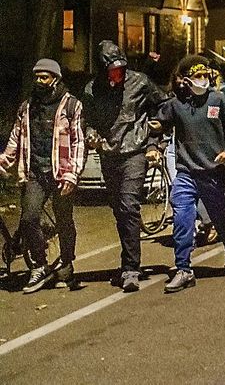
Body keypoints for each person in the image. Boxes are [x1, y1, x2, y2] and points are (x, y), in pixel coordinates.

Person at [81, 40, 168, 292]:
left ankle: (132, 267)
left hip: (136, 152)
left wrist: (155, 139)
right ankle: (127, 259)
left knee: (130, 205)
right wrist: (91, 134)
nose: (117, 74)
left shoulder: (140, 82)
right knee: (119, 209)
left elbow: (163, 105)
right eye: (111, 70)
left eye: (120, 69)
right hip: (109, 154)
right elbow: (88, 120)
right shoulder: (92, 90)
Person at [156, 57, 225, 293]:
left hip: (213, 172)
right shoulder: (176, 105)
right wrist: (154, 144)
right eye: (196, 77)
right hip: (186, 172)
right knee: (182, 216)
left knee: (220, 216)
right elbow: (159, 124)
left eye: (205, 76)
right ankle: (183, 268)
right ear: (186, 81)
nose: (201, 81)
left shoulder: (220, 101)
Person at [0, 59, 84, 293]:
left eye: (44, 77)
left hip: (61, 173)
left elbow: (78, 142)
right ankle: (39, 265)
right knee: (28, 218)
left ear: (55, 78)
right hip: (34, 172)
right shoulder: (27, 107)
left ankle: (66, 263)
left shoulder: (71, 105)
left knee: (64, 221)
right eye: (36, 76)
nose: (39, 81)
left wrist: (72, 174)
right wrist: (4, 161)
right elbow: (16, 137)